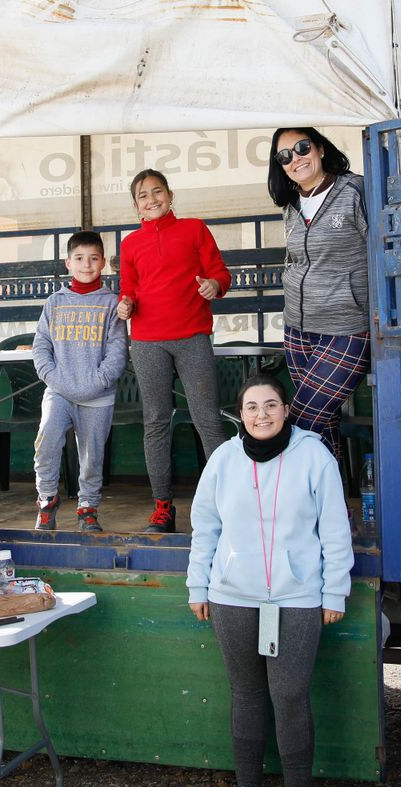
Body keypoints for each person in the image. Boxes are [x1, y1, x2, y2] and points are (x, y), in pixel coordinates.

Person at [187, 374, 354, 787]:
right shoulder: (223, 460)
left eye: (270, 405)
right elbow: (205, 526)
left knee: (290, 696)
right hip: (232, 596)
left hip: (297, 597)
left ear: (286, 409)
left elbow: (334, 530)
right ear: (241, 415)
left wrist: (334, 590)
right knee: (246, 695)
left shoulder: (315, 457)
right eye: (251, 407)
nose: (261, 415)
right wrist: (198, 585)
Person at [115, 168, 232, 533]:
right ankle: (163, 507)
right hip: (148, 341)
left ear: (170, 194)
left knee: (208, 420)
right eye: (143, 196)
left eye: (157, 192)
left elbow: (220, 273)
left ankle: (228, 503)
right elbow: (128, 288)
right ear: (136, 207)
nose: (152, 200)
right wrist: (125, 304)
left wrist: (214, 285)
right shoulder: (130, 243)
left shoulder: (194, 229)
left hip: (193, 335)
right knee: (156, 422)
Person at [268, 127, 369, 456]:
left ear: (321, 148)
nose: (295, 158)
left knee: (302, 418)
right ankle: (332, 506)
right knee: (323, 425)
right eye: (285, 156)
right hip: (298, 330)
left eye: (302, 147)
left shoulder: (354, 190)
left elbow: (381, 251)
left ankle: (300, 502)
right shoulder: (291, 206)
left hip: (347, 329)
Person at [32, 230, 128, 532]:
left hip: (98, 395)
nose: (86, 265)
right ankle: (47, 500)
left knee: (91, 456)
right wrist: (56, 379)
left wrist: (93, 384)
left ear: (103, 264)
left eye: (93, 259)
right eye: (79, 258)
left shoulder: (113, 304)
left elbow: (117, 352)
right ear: (68, 263)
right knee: (46, 440)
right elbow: (41, 346)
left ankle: (88, 508)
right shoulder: (55, 302)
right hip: (58, 391)